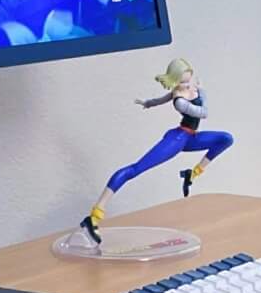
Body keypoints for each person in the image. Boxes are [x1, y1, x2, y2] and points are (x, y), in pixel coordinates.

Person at [80, 58, 234, 243]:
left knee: (225, 139)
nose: (187, 84)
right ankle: (95, 215)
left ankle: (192, 174)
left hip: (191, 137)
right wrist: (202, 92)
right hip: (177, 139)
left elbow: (160, 100)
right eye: (183, 81)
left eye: (188, 80)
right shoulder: (180, 100)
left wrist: (148, 103)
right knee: (135, 169)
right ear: (176, 81)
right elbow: (204, 112)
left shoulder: (188, 91)